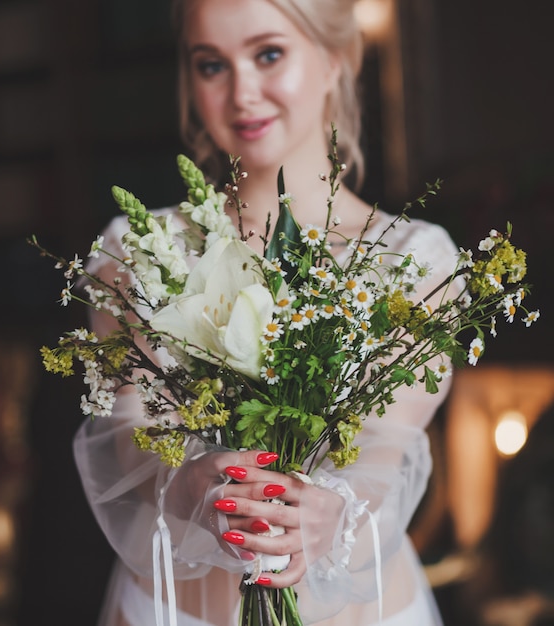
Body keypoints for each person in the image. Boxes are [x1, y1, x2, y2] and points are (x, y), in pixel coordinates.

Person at [73, 0, 461, 624]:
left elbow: (386, 458)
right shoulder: (136, 252)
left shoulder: (418, 263)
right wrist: (186, 485)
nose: (241, 93)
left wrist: (330, 509)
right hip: (171, 611)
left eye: (269, 54)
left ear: (336, 58)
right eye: (210, 65)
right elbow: (127, 439)